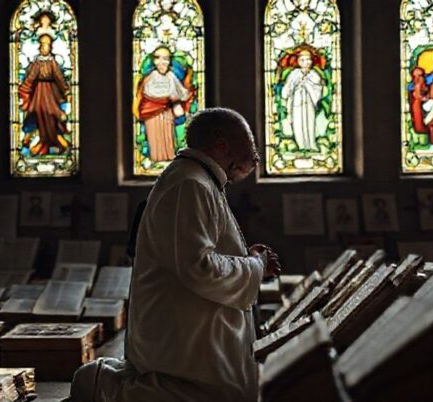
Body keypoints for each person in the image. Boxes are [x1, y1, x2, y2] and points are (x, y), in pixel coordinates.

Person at [72, 108, 281, 402]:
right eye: (250, 145)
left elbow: (194, 253)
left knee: (236, 391)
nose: (256, 157)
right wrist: (255, 265)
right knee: (220, 395)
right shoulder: (190, 184)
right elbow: (199, 266)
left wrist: (247, 259)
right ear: (221, 145)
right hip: (181, 332)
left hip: (192, 326)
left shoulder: (201, 180)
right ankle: (102, 384)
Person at [19, 12, 70, 156]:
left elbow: (58, 77)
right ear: (40, 47)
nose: (45, 48)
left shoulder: (52, 62)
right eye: (43, 45)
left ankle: (54, 141)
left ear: (50, 47)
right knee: (37, 113)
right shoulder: (37, 62)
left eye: (47, 45)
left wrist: (65, 89)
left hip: (50, 92)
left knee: (53, 114)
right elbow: (30, 77)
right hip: (39, 93)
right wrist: (24, 90)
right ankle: (38, 142)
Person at [133, 46, 194, 162]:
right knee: (154, 136)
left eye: (166, 59)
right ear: (154, 61)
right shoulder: (150, 77)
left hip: (167, 112)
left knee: (167, 136)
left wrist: (188, 89)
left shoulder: (171, 76)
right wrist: (165, 99)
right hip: (151, 113)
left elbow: (181, 92)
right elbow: (145, 94)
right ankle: (155, 159)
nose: (162, 63)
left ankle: (169, 159)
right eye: (159, 59)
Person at [281, 48, 324, 151]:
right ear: (299, 61)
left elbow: (318, 88)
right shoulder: (294, 74)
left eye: (308, 60)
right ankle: (301, 145)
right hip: (296, 102)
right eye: (303, 60)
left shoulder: (314, 75)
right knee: (298, 123)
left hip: (309, 102)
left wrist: (307, 84)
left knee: (310, 122)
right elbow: (287, 88)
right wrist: (294, 85)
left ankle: (311, 144)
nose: (306, 62)